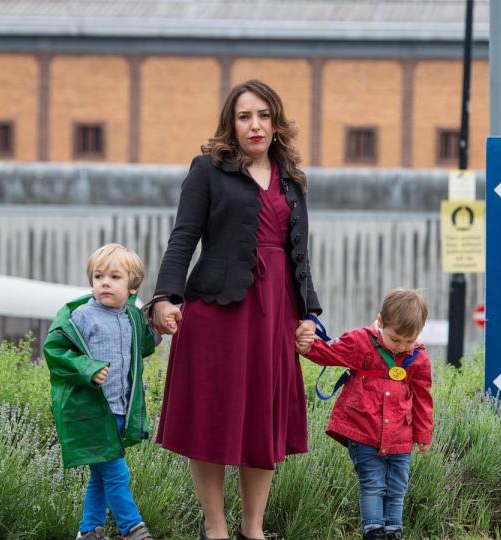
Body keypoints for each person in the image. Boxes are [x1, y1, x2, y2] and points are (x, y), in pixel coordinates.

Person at [149, 79, 321, 540]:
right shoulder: (207, 170)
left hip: (275, 315)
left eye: (263, 115)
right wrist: (166, 297)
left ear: (276, 122)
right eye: (245, 116)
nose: (255, 125)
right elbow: (183, 237)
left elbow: (300, 253)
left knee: (261, 420)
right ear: (231, 124)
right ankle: (215, 526)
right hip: (215, 314)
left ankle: (254, 529)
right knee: (211, 416)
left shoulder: (292, 179)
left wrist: (309, 314)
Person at [296, 288, 434, 540]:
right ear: (380, 321)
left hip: (400, 436)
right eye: (395, 339)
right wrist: (307, 346)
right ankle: (373, 530)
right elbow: (330, 353)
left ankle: (393, 531)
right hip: (363, 430)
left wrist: (423, 434)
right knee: (373, 483)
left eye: (409, 341)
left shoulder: (418, 358)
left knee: (397, 487)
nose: (401, 346)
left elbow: (423, 399)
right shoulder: (360, 342)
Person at [43, 243, 158, 540]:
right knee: (118, 474)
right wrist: (88, 368)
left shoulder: (131, 317)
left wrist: (160, 329)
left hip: (119, 410)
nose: (105, 282)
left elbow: (142, 346)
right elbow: (56, 351)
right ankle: (132, 528)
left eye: (115, 277)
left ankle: (89, 531)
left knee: (100, 476)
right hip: (92, 414)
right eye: (98, 276)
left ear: (132, 286)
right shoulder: (82, 316)